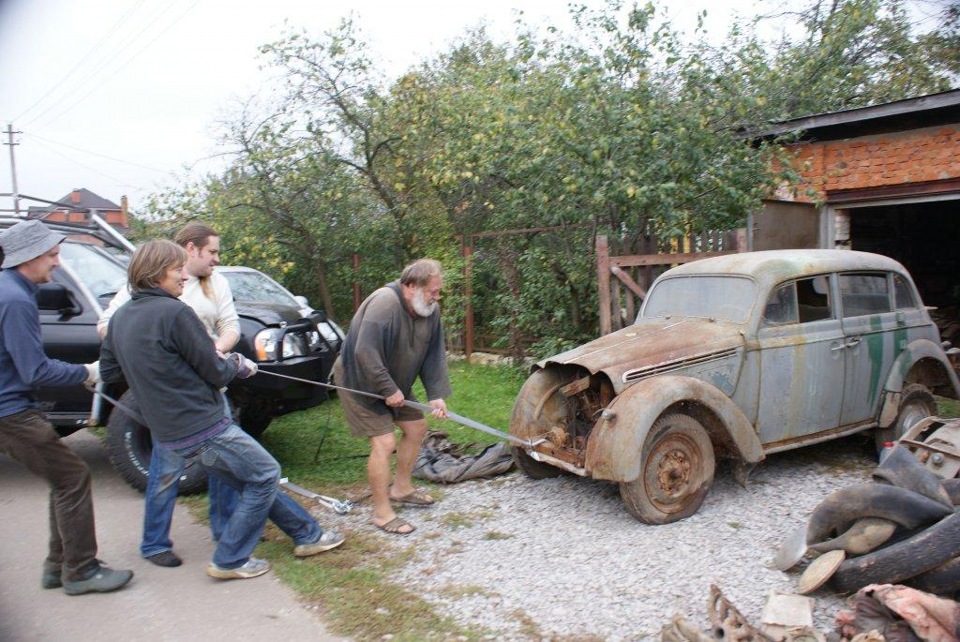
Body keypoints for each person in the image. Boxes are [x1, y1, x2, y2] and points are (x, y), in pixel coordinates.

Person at [100, 240, 344, 580]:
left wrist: (156, 375)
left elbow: (111, 374)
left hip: (169, 430)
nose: (184, 276)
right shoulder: (175, 312)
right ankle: (230, 559)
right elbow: (216, 372)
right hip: (203, 424)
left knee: (250, 476)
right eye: (177, 270)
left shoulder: (121, 317)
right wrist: (239, 366)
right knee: (265, 474)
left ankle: (308, 535)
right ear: (156, 274)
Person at [0, 219, 134, 595]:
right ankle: (80, 570)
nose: (57, 263)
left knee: (64, 478)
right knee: (73, 478)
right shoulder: (13, 298)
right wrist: (86, 372)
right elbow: (34, 369)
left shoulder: (11, 289)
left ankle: (58, 566)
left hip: (11, 406)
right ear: (28, 257)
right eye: (52, 255)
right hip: (10, 412)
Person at [98, 222, 240, 568]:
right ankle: (154, 542)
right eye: (212, 252)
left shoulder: (216, 283)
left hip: (209, 388)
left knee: (227, 465)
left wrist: (215, 352)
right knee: (166, 469)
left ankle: (226, 530)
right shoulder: (150, 292)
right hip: (171, 398)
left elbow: (230, 326)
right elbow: (109, 326)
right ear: (190, 250)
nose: (216, 259)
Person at [333, 258, 452, 535]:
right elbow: (365, 352)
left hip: (393, 380)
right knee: (384, 442)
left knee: (417, 427)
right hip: (359, 380)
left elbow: (434, 352)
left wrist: (436, 395)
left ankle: (402, 488)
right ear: (410, 286)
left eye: (438, 291)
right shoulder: (384, 304)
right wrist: (388, 390)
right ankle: (382, 513)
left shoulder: (430, 310)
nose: (437, 297)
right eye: (432, 291)